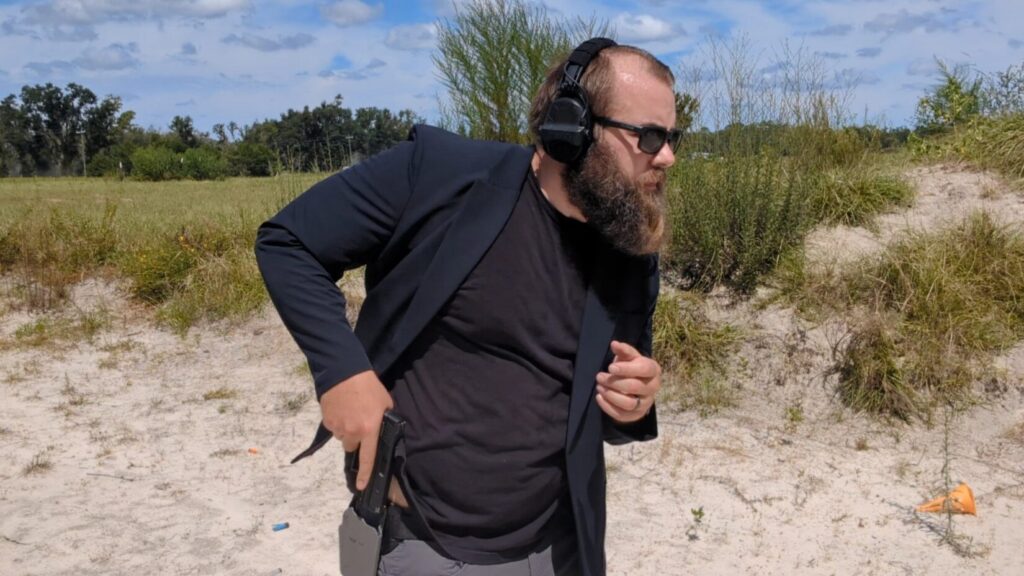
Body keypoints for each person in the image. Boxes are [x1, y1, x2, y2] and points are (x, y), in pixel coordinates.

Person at [255, 38, 681, 576]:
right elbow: (288, 243)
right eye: (648, 136)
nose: (666, 156)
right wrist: (342, 373)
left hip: (560, 548)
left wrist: (634, 402)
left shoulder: (630, 244)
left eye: (671, 137)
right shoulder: (439, 175)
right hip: (422, 546)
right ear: (570, 128)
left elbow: (609, 414)